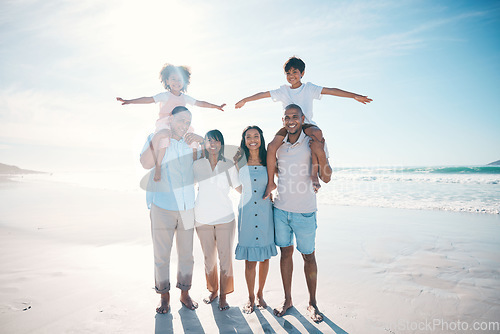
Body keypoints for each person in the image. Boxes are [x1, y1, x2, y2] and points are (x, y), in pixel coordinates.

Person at [235, 56, 371, 198]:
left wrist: (355, 96)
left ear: (302, 73)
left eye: (295, 72)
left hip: (306, 124)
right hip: (288, 125)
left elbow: (331, 90)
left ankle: (314, 175)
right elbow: (263, 94)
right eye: (288, 73)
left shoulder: (309, 88)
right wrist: (245, 100)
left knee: (317, 133)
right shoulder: (283, 91)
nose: (291, 76)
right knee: (271, 145)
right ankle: (271, 183)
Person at [140, 106, 204, 314]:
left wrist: (202, 141)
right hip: (163, 206)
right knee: (162, 255)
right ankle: (164, 296)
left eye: (188, 122)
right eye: (181, 120)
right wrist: (158, 136)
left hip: (187, 207)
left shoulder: (191, 142)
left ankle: (184, 293)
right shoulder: (158, 137)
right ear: (171, 119)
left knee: (187, 255)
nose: (184, 125)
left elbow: (206, 166)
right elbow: (145, 163)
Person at [272, 104, 332, 323]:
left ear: (302, 118)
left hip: (305, 211)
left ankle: (312, 303)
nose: (291, 121)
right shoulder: (279, 145)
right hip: (280, 210)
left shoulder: (312, 142)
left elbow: (327, 177)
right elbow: (274, 168)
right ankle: (288, 300)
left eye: (295, 117)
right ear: (283, 120)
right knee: (285, 254)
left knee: (309, 256)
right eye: (287, 117)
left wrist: (321, 152)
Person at [117, 63, 225, 182]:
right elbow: (148, 99)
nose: (176, 82)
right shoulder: (165, 96)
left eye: (180, 79)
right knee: (164, 139)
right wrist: (129, 101)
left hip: (182, 125)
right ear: (167, 81)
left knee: (193, 138)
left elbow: (200, 103)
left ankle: (193, 167)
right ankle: (158, 167)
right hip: (165, 123)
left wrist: (216, 106)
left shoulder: (185, 98)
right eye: (173, 79)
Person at [193, 130, 240, 311]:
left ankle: (223, 296)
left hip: (225, 219)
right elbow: (187, 187)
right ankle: (213, 290)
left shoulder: (228, 164)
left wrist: (263, 194)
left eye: (216, 141)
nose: (213, 144)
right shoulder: (197, 165)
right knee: (209, 259)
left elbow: (239, 188)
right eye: (209, 141)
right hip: (202, 218)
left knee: (225, 258)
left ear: (221, 144)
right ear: (204, 143)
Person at [233, 126, 277, 314]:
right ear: (244, 140)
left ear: (261, 138)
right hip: (248, 213)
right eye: (248, 136)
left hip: (266, 211)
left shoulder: (269, 160)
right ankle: (250, 297)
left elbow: (275, 182)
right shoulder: (238, 161)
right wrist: (249, 196)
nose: (252, 139)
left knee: (265, 257)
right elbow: (235, 185)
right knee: (250, 259)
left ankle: (260, 294)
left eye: (256, 136)